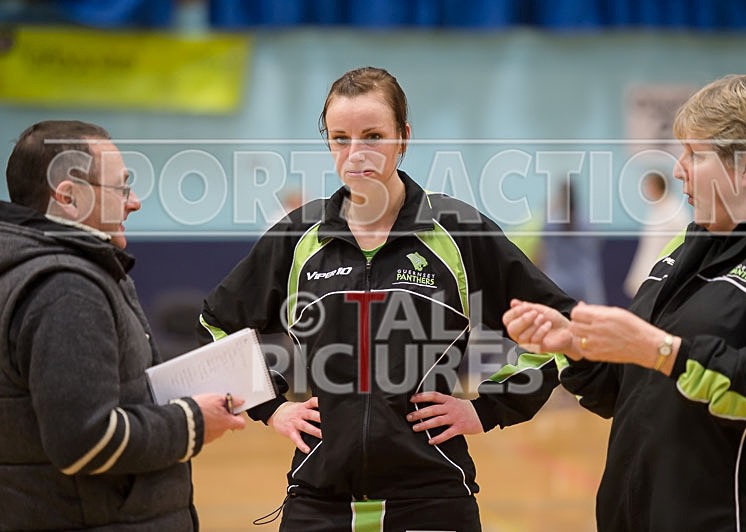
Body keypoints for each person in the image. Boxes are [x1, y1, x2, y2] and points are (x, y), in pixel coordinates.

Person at [198, 66, 574, 531]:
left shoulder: (457, 230)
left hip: (433, 498)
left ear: (403, 138)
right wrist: (271, 406)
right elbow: (218, 324)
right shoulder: (299, 236)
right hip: (318, 500)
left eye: (373, 135)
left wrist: (486, 408)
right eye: (340, 138)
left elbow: (558, 327)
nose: (356, 154)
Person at [502, 74, 746, 531]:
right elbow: (628, 394)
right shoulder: (690, 241)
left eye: (694, 155)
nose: (677, 169)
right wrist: (577, 348)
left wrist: (661, 351)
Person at [0, 120, 246, 530]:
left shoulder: (38, 271)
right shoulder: (66, 288)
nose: (133, 202)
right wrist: (193, 420)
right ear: (69, 198)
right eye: (120, 188)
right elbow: (83, 441)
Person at [623, 172, 690, 298]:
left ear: (658, 186)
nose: (646, 190)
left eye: (649, 185)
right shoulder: (655, 210)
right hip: (648, 267)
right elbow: (647, 248)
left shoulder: (675, 213)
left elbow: (683, 245)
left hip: (665, 272)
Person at [538, 180, 606, 304]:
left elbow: (543, 255)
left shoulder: (551, 224)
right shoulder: (587, 224)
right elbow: (596, 248)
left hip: (557, 283)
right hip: (584, 284)